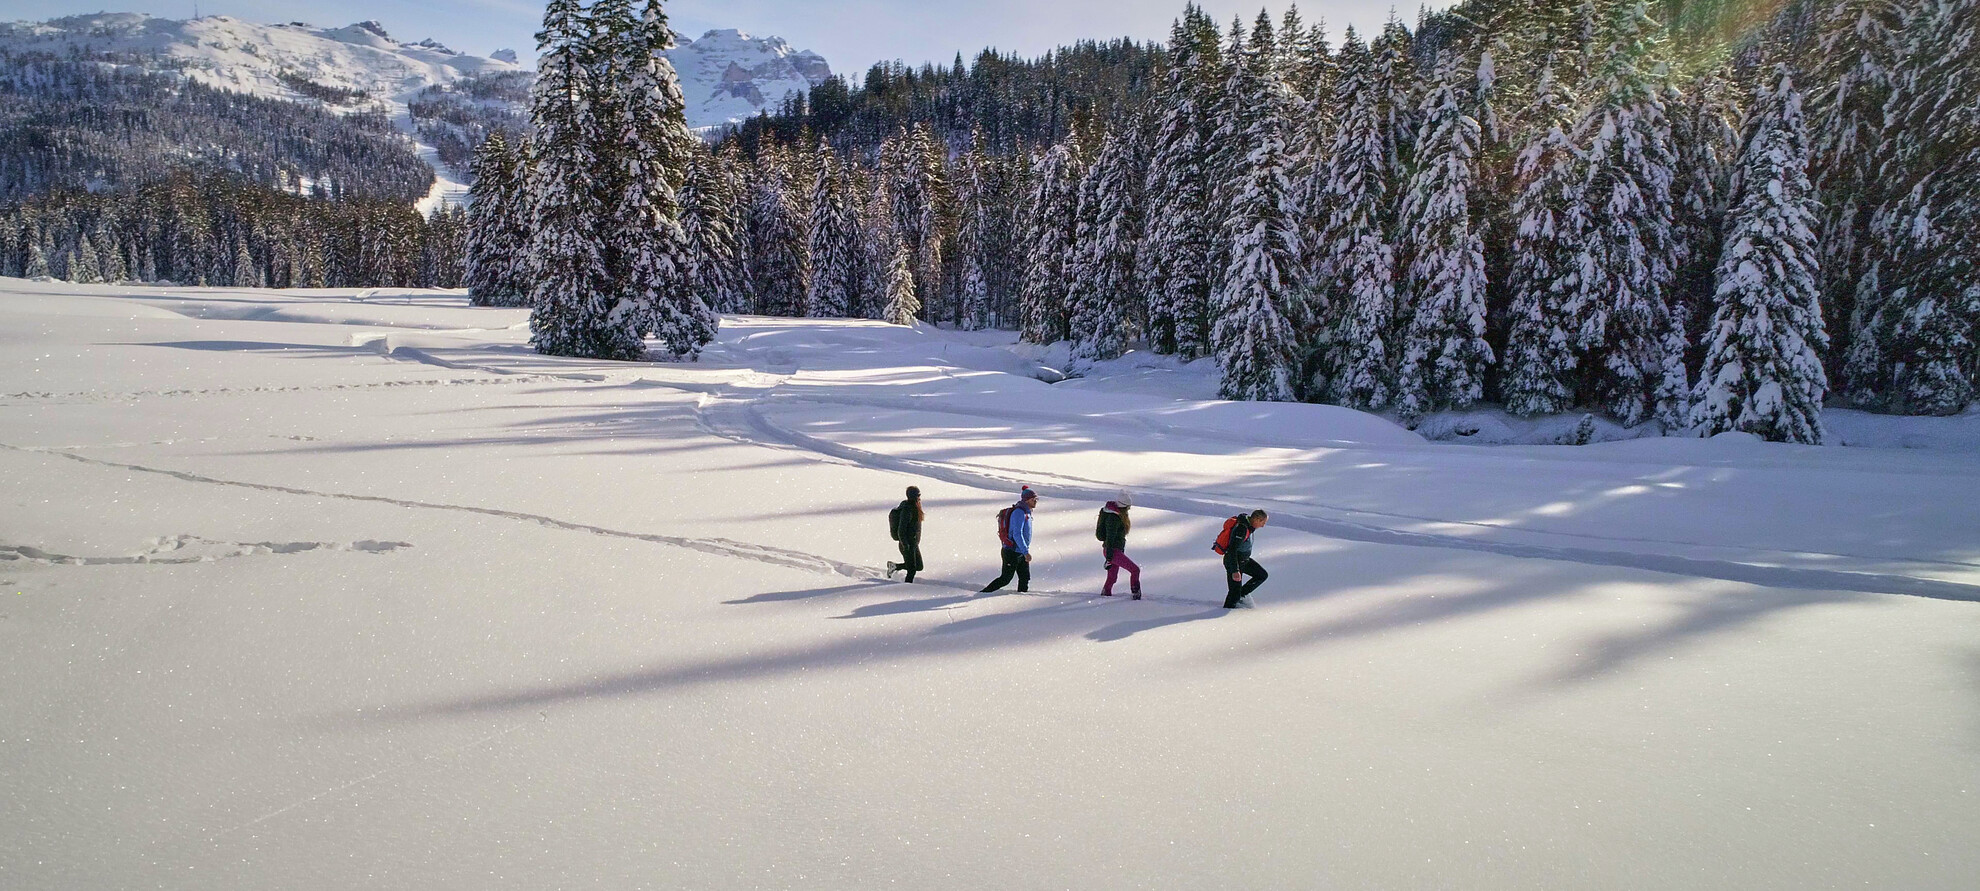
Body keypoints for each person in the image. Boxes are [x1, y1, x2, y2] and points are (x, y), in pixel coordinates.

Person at [980, 486, 1037, 593]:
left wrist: (1024, 551)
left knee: (1025, 578)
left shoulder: (1027, 512)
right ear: (1027, 500)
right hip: (1011, 552)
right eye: (1033, 499)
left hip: (1020, 551)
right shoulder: (1019, 513)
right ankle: (983, 594)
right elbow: (1017, 534)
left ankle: (1022, 599)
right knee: (1005, 579)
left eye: (1036, 499)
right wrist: (1025, 552)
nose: (1035, 501)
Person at [1221, 510, 1270, 609]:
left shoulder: (1249, 526)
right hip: (1233, 562)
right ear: (1257, 519)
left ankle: (1241, 595)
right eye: (1263, 522)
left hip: (1244, 560)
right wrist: (1235, 570)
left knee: (1261, 575)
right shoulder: (1242, 529)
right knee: (1234, 593)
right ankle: (1227, 610)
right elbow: (1232, 550)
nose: (1263, 526)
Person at [1097, 490, 1141, 599]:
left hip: (1114, 550)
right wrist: (1109, 557)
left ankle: (1105, 594)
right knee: (1135, 570)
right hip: (1113, 551)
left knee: (1112, 577)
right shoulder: (1113, 518)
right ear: (1123, 507)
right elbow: (1110, 537)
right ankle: (1136, 594)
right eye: (1128, 507)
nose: (1128, 509)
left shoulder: (1117, 515)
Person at [886, 485, 924, 583]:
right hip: (907, 544)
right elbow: (901, 529)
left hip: (913, 543)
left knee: (919, 566)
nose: (919, 497)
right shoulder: (907, 509)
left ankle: (894, 566)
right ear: (913, 496)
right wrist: (905, 544)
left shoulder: (915, 507)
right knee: (911, 570)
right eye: (918, 495)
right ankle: (907, 588)